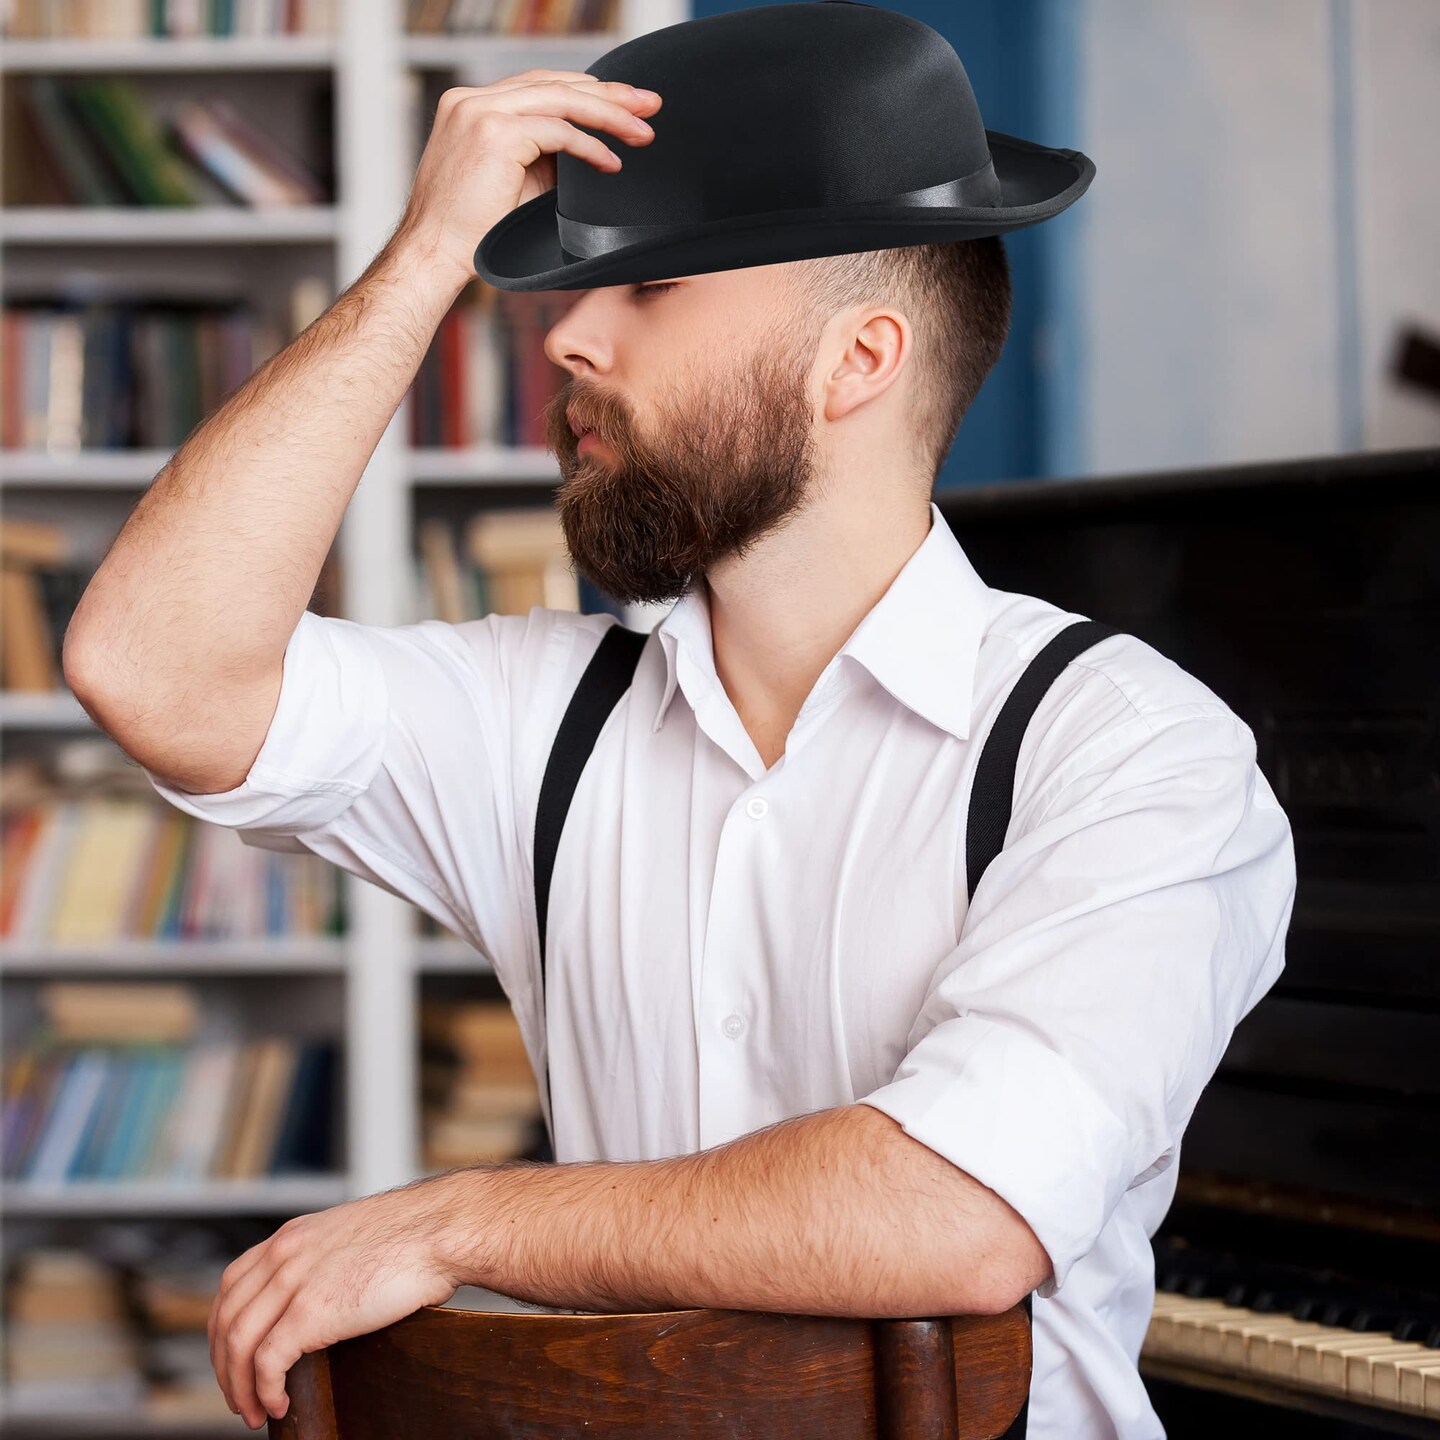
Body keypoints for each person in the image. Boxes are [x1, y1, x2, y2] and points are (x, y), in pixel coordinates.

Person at [63, 8, 1296, 1438]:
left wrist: (460, 1224)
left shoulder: (1132, 753)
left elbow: (958, 1210)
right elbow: (153, 671)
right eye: (578, 285)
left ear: (860, 361)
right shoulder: (540, 720)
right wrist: (416, 262)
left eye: (651, 289)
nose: (566, 335)